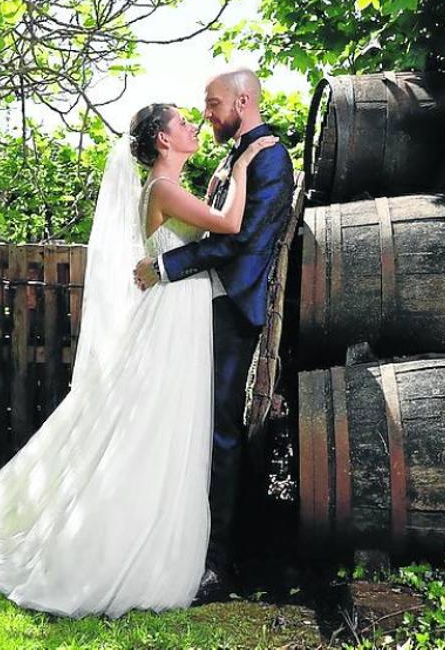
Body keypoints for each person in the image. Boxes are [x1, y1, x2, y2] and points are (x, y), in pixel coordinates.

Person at [0, 101, 278, 618]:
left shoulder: (172, 189)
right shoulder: (162, 189)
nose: (192, 126)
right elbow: (232, 225)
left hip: (181, 310)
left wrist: (218, 185)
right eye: (183, 123)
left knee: (164, 426)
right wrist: (246, 165)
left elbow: (203, 229)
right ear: (163, 140)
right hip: (172, 315)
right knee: (152, 426)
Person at [133, 68, 295, 601]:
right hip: (203, 306)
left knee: (220, 429)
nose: (205, 113)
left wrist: (169, 265)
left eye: (212, 103)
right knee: (197, 427)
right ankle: (190, 546)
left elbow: (243, 238)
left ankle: (220, 565)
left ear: (242, 101)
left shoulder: (269, 155)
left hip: (233, 307)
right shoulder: (233, 154)